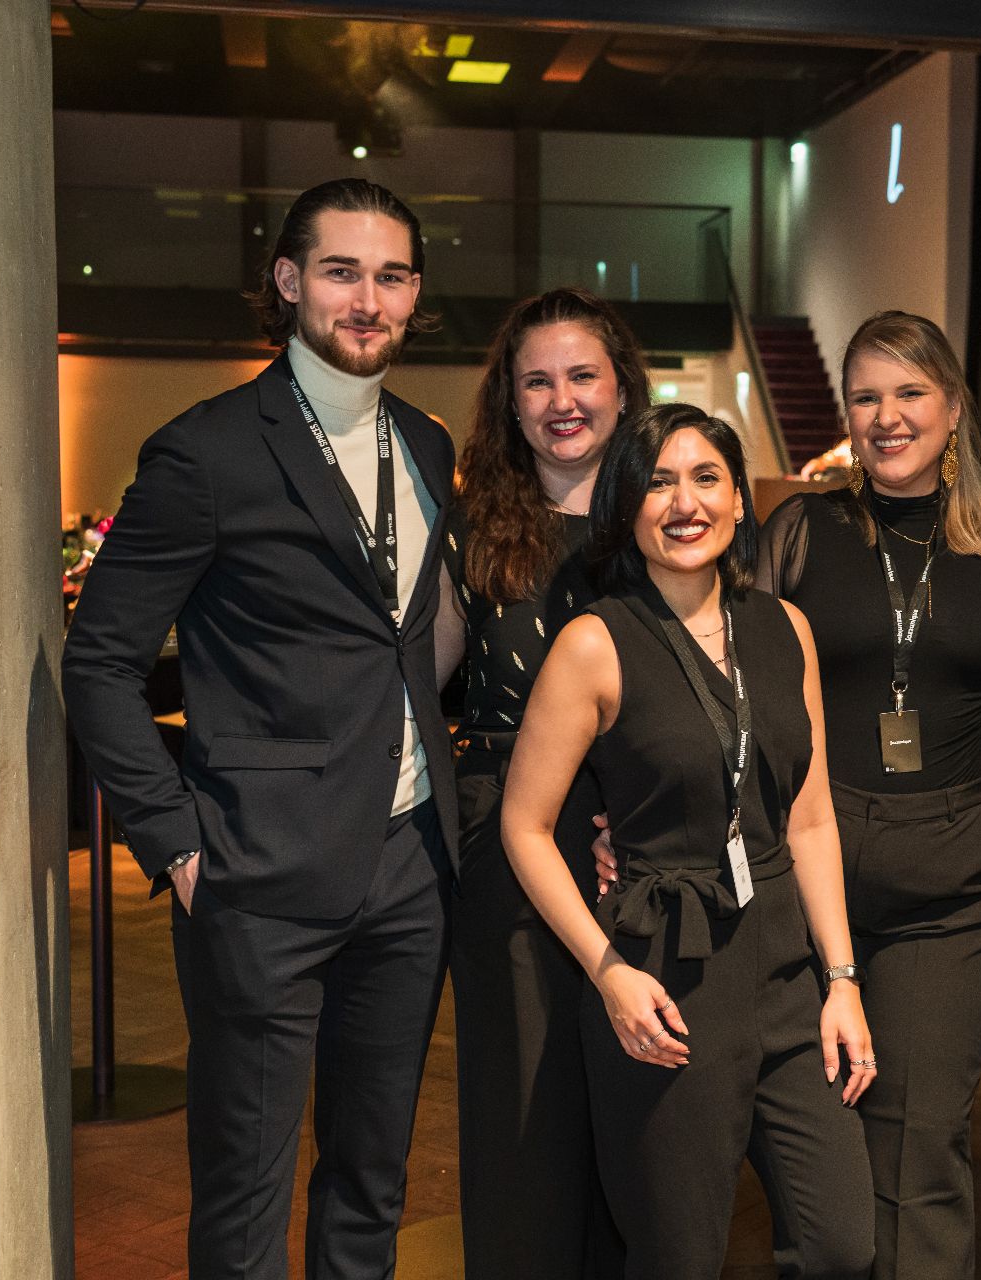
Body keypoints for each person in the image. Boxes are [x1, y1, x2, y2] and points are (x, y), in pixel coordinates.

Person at [62, 179, 459, 1280]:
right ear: (289, 281)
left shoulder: (427, 445)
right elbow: (99, 663)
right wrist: (176, 842)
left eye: (391, 276)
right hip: (255, 876)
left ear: (415, 293)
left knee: (371, 1182)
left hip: (409, 863)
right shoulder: (206, 452)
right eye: (341, 272)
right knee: (245, 1198)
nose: (367, 299)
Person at [501, 405, 878, 1280]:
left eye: (706, 478)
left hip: (785, 971)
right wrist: (609, 973)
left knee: (841, 1243)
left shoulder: (785, 628)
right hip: (662, 977)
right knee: (677, 1256)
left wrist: (842, 978)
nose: (685, 503)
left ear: (740, 500)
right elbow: (525, 827)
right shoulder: (593, 644)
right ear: (627, 508)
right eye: (659, 483)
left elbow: (811, 817)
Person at [746, 310, 981, 1279]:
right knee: (815, 1161)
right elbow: (732, 686)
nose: (887, 417)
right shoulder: (801, 531)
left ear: (953, 406)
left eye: (910, 392)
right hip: (806, 868)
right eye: (866, 397)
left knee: (918, 1151)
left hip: (945, 890)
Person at [432, 287, 649, 1278]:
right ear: (509, 404)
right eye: (537, 382)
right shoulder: (474, 527)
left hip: (642, 838)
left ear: (623, 389)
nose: (563, 400)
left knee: (637, 1119)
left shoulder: (669, 522)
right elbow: (415, 679)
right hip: (506, 843)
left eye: (582, 376)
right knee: (523, 1118)